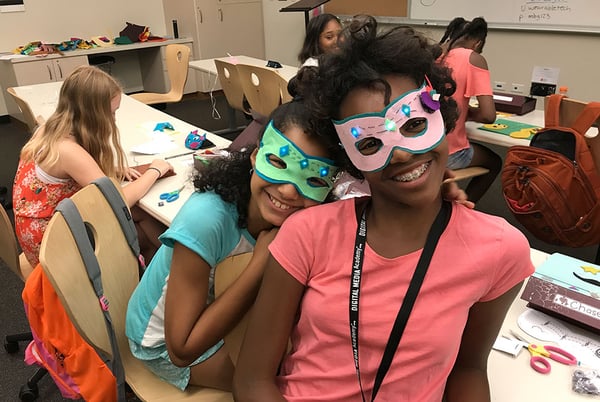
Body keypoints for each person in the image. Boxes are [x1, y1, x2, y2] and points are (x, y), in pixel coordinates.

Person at [233, 16, 534, 402]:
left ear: (440, 115)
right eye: (371, 144)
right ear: (352, 159)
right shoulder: (308, 234)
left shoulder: (499, 250)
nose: (404, 152)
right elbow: (253, 380)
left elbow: (468, 368)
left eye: (413, 125)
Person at [125, 98, 345, 392]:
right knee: (287, 386)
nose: (289, 190)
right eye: (279, 163)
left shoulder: (301, 220)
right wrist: (258, 266)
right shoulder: (206, 219)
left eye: (313, 180)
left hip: (223, 317)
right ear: (255, 156)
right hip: (161, 343)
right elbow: (182, 349)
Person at [12, 65, 172, 278]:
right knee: (144, 226)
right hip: (53, 252)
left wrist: (110, 169)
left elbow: (72, 176)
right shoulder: (67, 149)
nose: (114, 120)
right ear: (93, 115)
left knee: (140, 216)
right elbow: (117, 200)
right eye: (112, 113)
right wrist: (155, 170)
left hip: (41, 234)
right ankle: (156, 279)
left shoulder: (48, 128)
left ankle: (167, 272)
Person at [439, 16, 502, 202]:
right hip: (449, 153)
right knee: (495, 162)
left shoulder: (436, 54)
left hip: (419, 148)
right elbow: (489, 116)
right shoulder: (474, 59)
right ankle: (466, 209)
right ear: (477, 44)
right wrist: (471, 114)